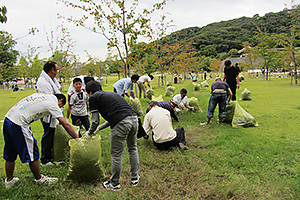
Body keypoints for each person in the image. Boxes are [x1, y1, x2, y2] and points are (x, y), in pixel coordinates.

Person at [2, 93, 79, 189]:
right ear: (60, 101)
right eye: (61, 106)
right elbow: (65, 124)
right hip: (19, 124)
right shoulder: (53, 104)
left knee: (11, 152)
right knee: (33, 152)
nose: (60, 108)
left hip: (8, 120)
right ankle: (39, 179)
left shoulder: (42, 96)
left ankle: (9, 181)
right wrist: (77, 139)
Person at [83, 81, 139, 191]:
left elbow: (94, 121)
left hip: (122, 123)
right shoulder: (112, 95)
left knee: (116, 154)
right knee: (132, 148)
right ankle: (135, 178)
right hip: (134, 120)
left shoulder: (93, 98)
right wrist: (99, 129)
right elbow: (117, 115)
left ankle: (114, 184)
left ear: (89, 92)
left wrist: (89, 133)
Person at [35, 61, 61, 165]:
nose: (57, 72)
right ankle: (45, 159)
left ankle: (49, 155)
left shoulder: (50, 80)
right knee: (48, 134)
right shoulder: (44, 83)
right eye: (56, 69)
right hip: (47, 113)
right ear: (52, 70)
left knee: (51, 134)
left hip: (51, 112)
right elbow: (48, 100)